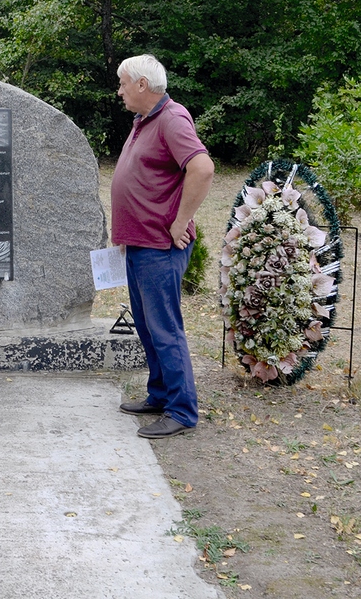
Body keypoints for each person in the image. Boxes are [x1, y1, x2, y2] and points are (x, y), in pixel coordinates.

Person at [110, 55, 215, 438]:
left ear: (141, 84)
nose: (119, 91)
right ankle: (159, 394)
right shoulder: (144, 121)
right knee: (148, 327)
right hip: (140, 244)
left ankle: (182, 411)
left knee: (165, 329)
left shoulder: (171, 118)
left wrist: (181, 220)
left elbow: (202, 168)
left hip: (159, 246)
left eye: (123, 83)